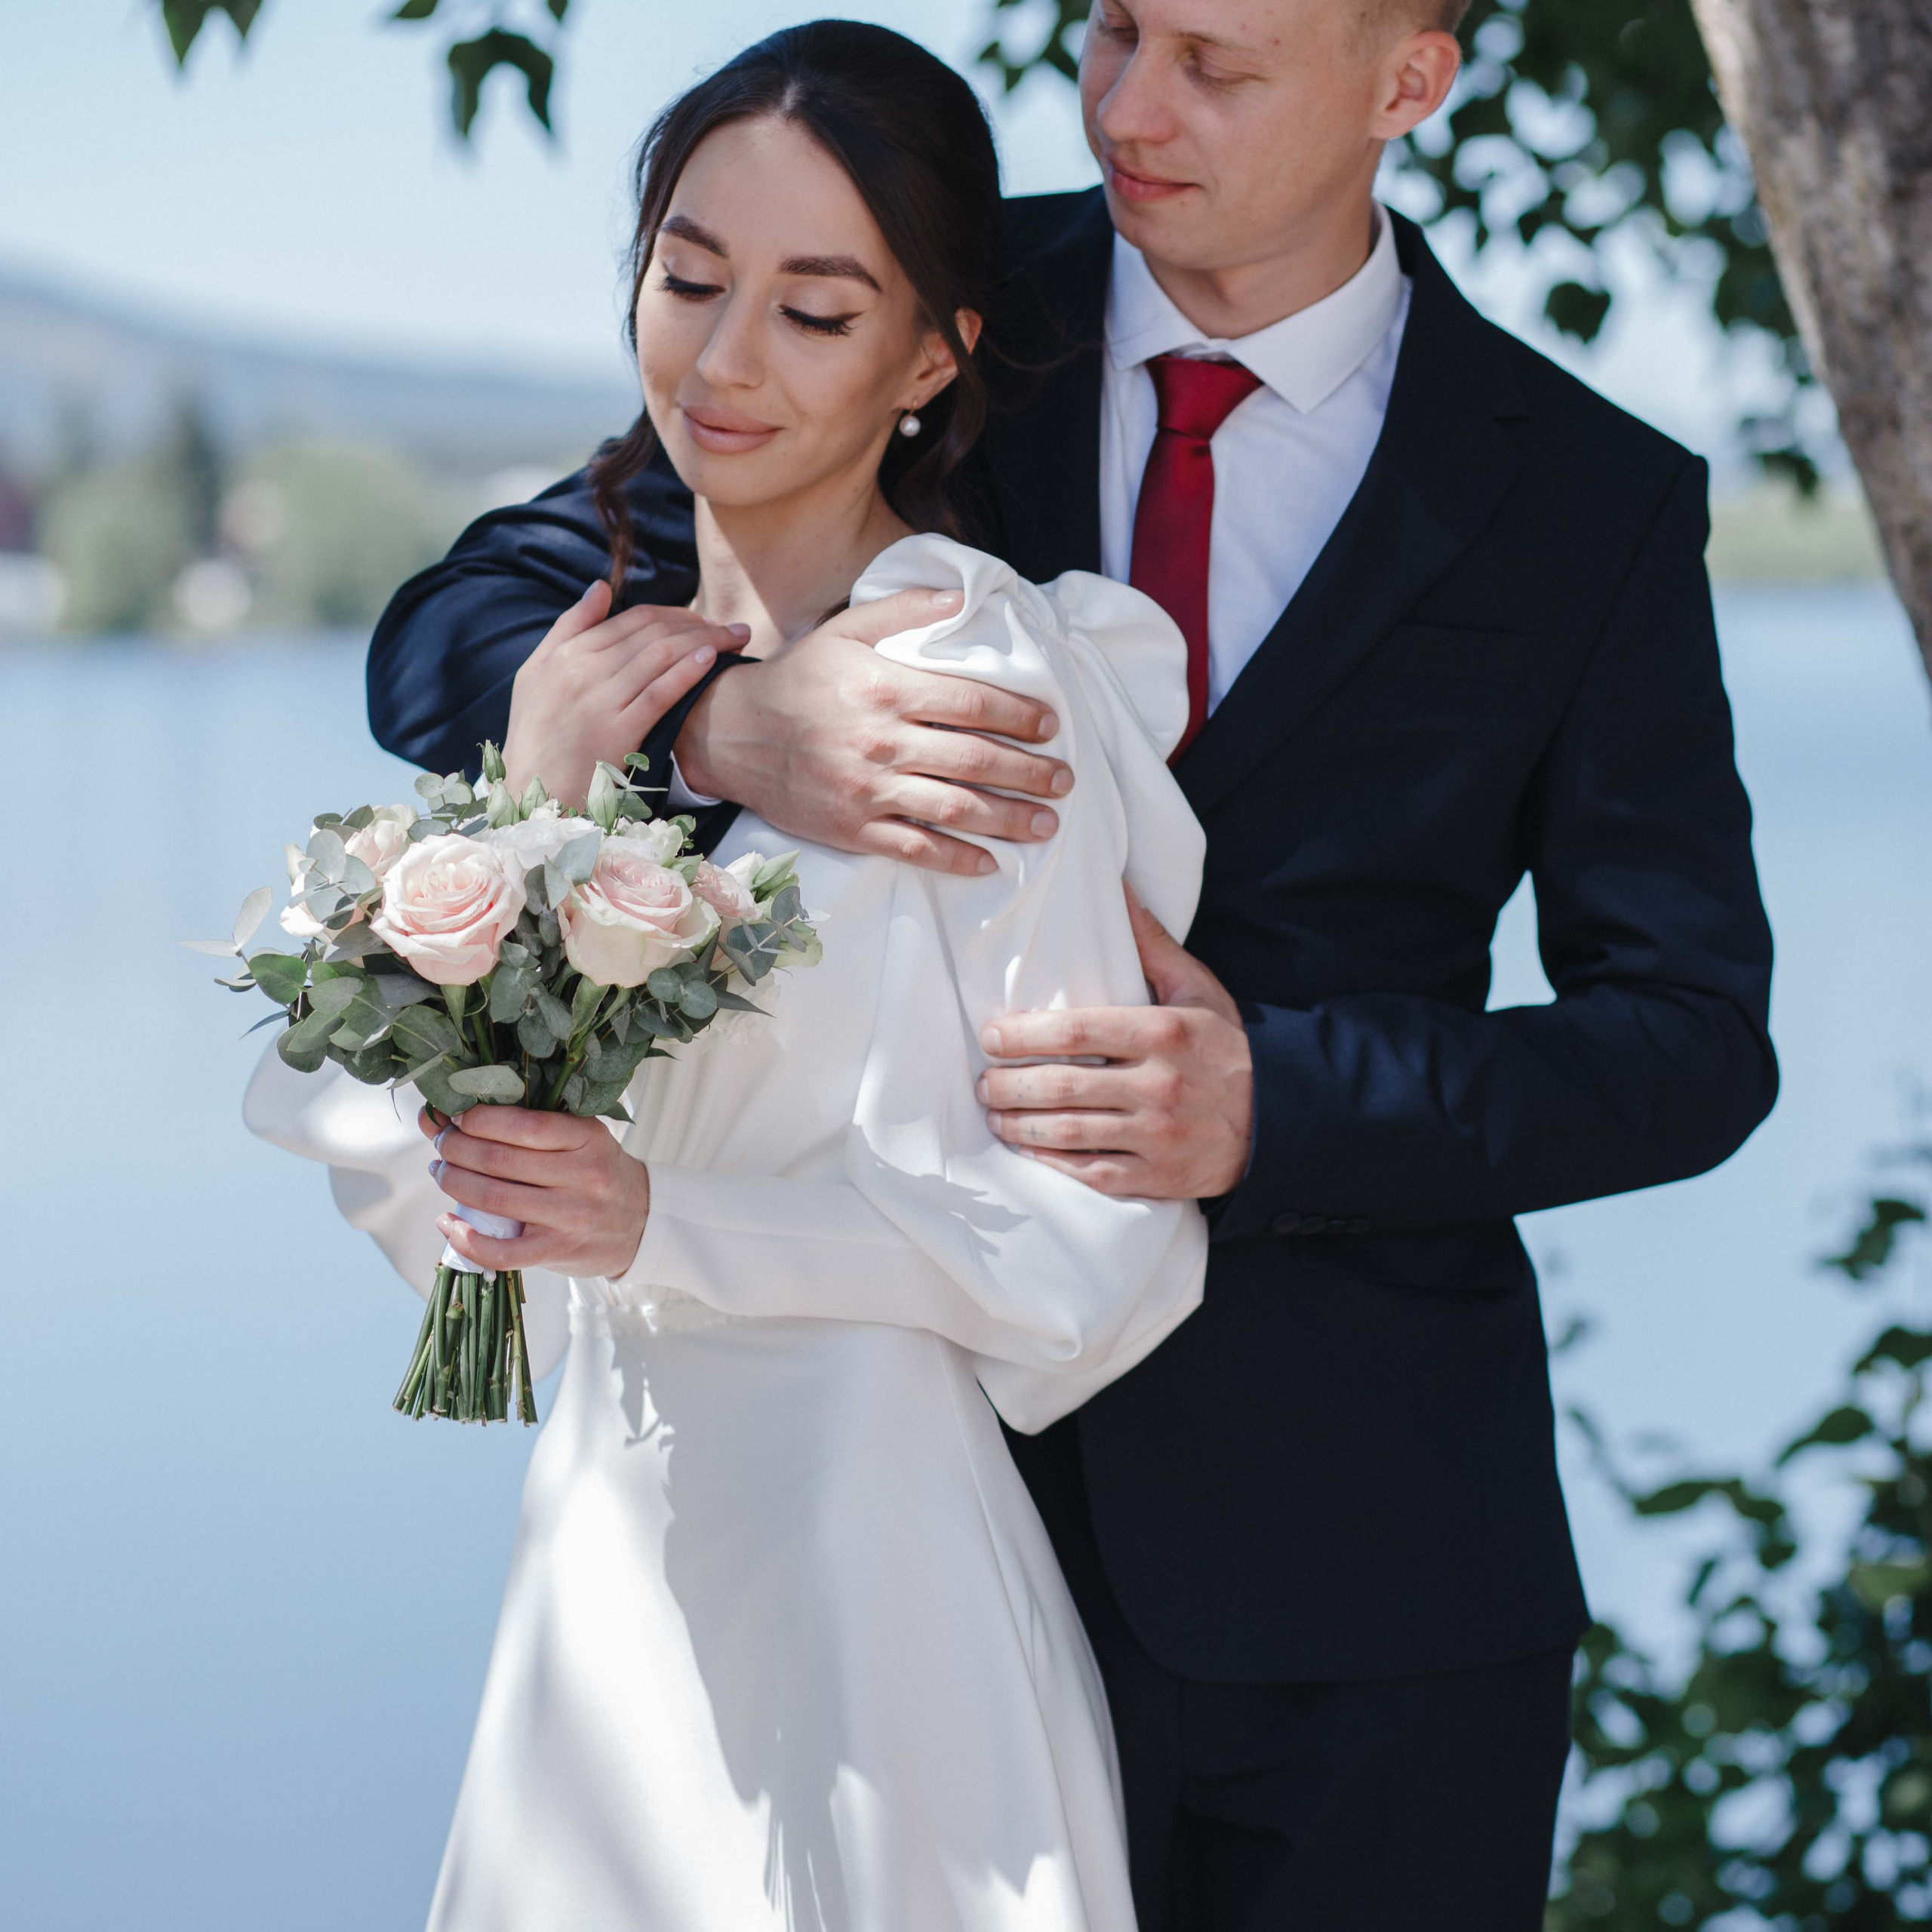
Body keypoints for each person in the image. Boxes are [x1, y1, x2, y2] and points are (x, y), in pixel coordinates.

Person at [367, 2, 1779, 1925]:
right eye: (1113, 28)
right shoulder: (913, 285)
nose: (1126, 105)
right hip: (895, 1563)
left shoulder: (1586, 497)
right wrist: (731, 727)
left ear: (1405, 84)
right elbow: (454, 626)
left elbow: (1686, 1042)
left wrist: (1281, 1099)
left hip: (1363, 1584)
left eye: (1214, 61)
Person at [254, 21, 1218, 1930]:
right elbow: (427, 1193)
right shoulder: (592, 673)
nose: (723, 360)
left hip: (876, 1588)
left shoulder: (973, 683)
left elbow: (1088, 1252)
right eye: (690, 279)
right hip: (607, 1562)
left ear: (933, 356)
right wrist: (522, 814)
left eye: (812, 308)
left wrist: (666, 1220)